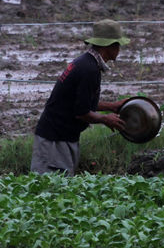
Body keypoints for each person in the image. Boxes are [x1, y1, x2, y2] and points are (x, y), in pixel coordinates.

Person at [31, 19, 130, 175]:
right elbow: (82, 112)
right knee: (50, 190)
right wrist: (106, 119)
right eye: (117, 45)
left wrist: (112, 106)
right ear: (109, 46)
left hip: (62, 137)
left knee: (62, 188)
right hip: (54, 140)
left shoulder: (86, 63)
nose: (119, 49)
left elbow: (80, 102)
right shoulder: (89, 69)